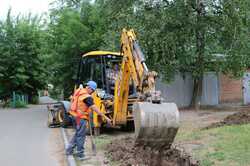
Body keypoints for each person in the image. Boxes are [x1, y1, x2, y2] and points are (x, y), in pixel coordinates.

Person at [66, 80, 112, 160]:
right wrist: (106, 117)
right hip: (80, 118)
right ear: (89, 88)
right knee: (81, 136)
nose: (92, 92)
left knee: (77, 134)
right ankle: (80, 154)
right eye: (93, 90)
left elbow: (74, 100)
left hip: (74, 115)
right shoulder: (87, 96)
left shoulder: (79, 91)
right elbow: (95, 108)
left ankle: (69, 150)